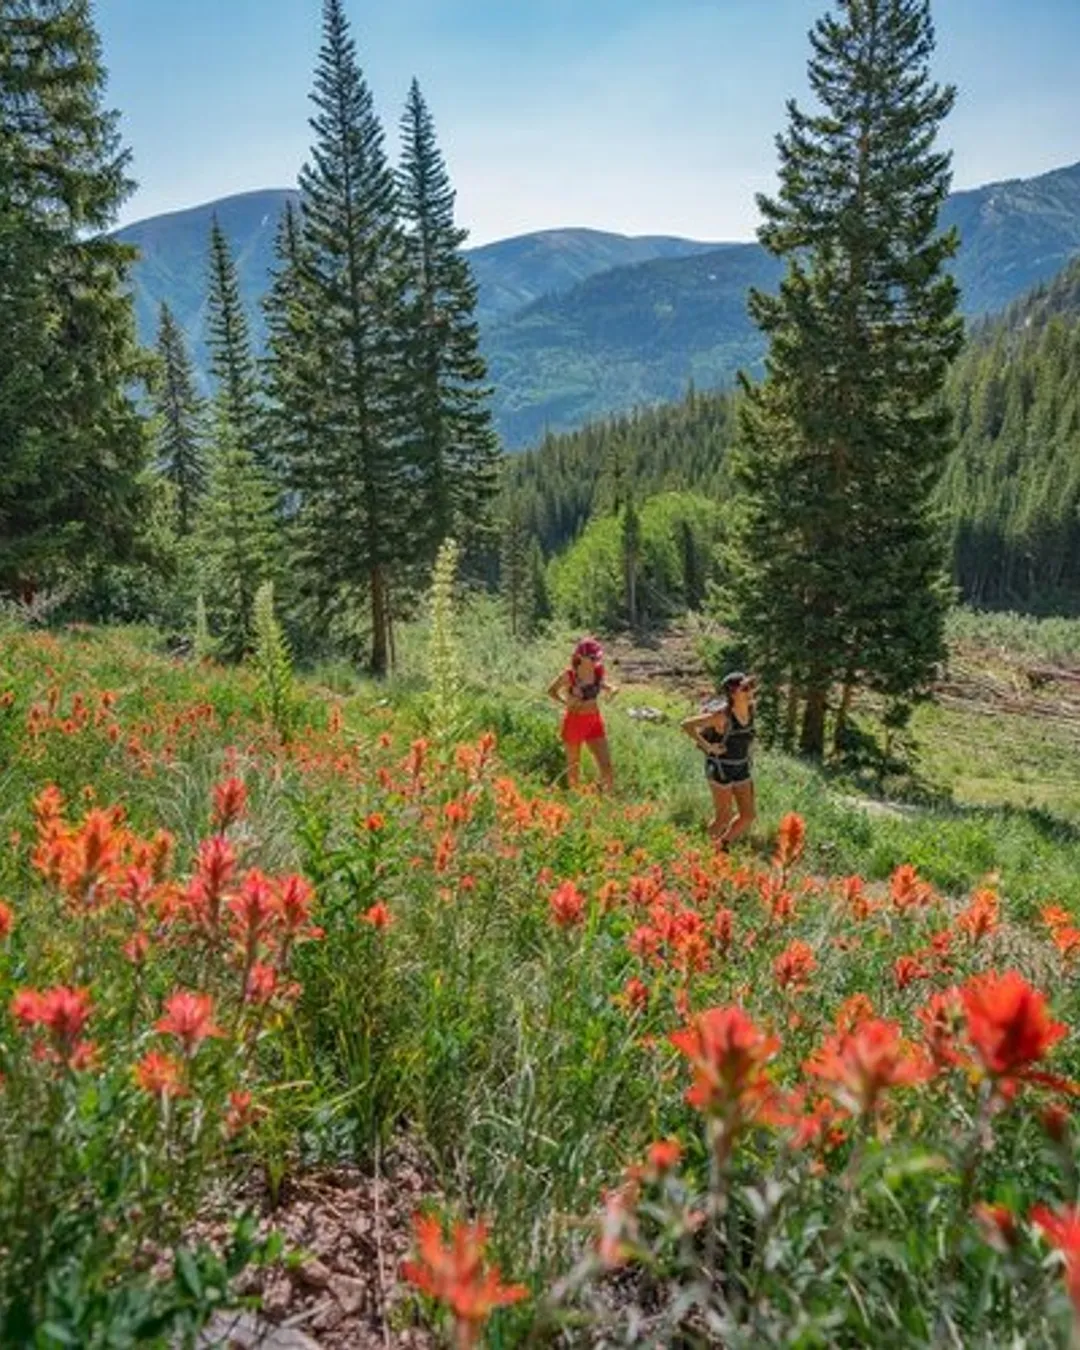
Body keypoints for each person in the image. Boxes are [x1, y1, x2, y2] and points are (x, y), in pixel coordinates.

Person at [681, 671, 757, 849]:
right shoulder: (722, 717)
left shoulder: (752, 710)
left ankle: (720, 847)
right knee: (723, 818)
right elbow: (686, 725)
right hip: (720, 768)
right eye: (744, 688)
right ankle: (702, 852)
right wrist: (708, 747)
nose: (750, 691)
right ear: (732, 693)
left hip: (742, 767)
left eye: (751, 687)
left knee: (748, 816)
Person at [548, 637, 616, 791]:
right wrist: (567, 702)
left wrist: (611, 690)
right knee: (573, 767)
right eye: (592, 657)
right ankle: (575, 801)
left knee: (607, 766)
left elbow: (602, 684)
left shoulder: (598, 671)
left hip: (594, 721)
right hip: (574, 721)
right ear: (580, 657)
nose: (596, 660)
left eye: (597, 656)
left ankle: (608, 801)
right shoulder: (569, 675)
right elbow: (551, 691)